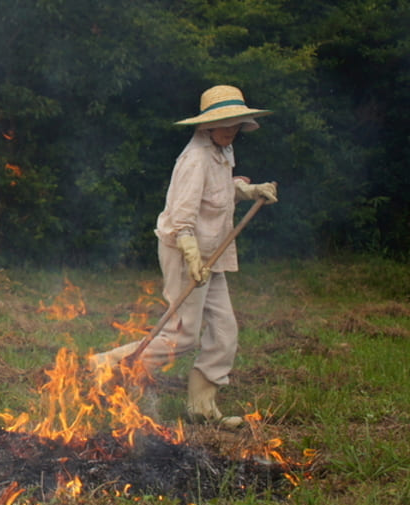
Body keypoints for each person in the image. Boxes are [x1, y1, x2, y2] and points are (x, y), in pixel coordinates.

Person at [89, 85, 278, 428]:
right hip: (184, 251)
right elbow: (181, 217)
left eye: (236, 124)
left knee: (224, 332)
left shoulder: (223, 151)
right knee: (184, 334)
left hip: (213, 253)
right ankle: (114, 367)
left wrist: (248, 190)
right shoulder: (194, 159)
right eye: (224, 124)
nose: (230, 130)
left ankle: (201, 407)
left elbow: (220, 191)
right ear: (207, 125)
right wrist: (192, 257)